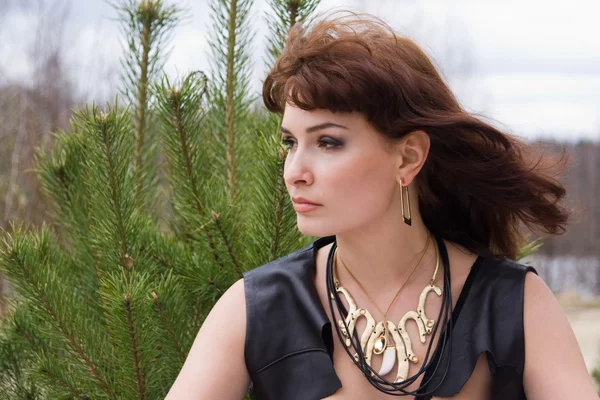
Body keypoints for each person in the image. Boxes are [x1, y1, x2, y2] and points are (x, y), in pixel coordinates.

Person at [165, 10, 598, 400]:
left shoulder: (515, 303)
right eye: (290, 143)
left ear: (408, 157)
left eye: (328, 142)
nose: (294, 170)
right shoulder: (253, 307)